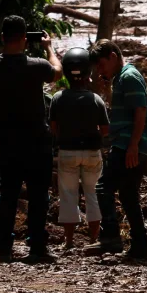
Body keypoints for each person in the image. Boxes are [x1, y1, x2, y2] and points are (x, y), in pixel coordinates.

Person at [0, 16, 63, 263]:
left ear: (3, 37)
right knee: (39, 196)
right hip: (37, 142)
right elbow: (57, 72)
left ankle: (4, 248)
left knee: (8, 195)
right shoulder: (37, 66)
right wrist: (49, 47)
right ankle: (37, 247)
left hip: (8, 142)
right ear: (26, 40)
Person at [84, 40, 147, 262]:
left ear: (113, 56)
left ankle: (112, 235)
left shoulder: (128, 76)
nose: (101, 71)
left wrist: (133, 144)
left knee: (104, 187)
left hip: (127, 145)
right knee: (128, 196)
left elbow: (140, 111)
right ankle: (140, 248)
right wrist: (109, 90)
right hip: (129, 144)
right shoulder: (123, 78)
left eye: (102, 65)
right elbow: (127, 108)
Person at [50, 48, 109, 250]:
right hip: (92, 152)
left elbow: (54, 127)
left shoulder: (58, 98)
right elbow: (105, 129)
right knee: (93, 195)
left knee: (68, 195)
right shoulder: (95, 99)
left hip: (67, 152)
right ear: (88, 73)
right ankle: (93, 240)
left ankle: (69, 242)